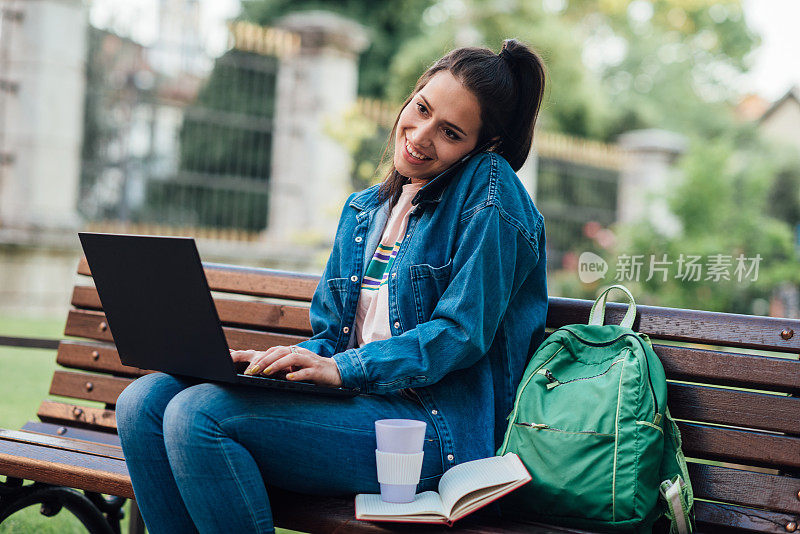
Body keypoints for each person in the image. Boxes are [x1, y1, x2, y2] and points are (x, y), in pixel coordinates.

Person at [116, 38, 548, 534]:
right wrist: (279, 364)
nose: (421, 136)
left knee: (199, 416)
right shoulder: (365, 210)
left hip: (431, 430)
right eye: (421, 108)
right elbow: (334, 336)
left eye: (449, 132)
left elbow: (460, 333)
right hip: (359, 407)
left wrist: (344, 369)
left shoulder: (491, 190)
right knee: (143, 402)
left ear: (482, 147)